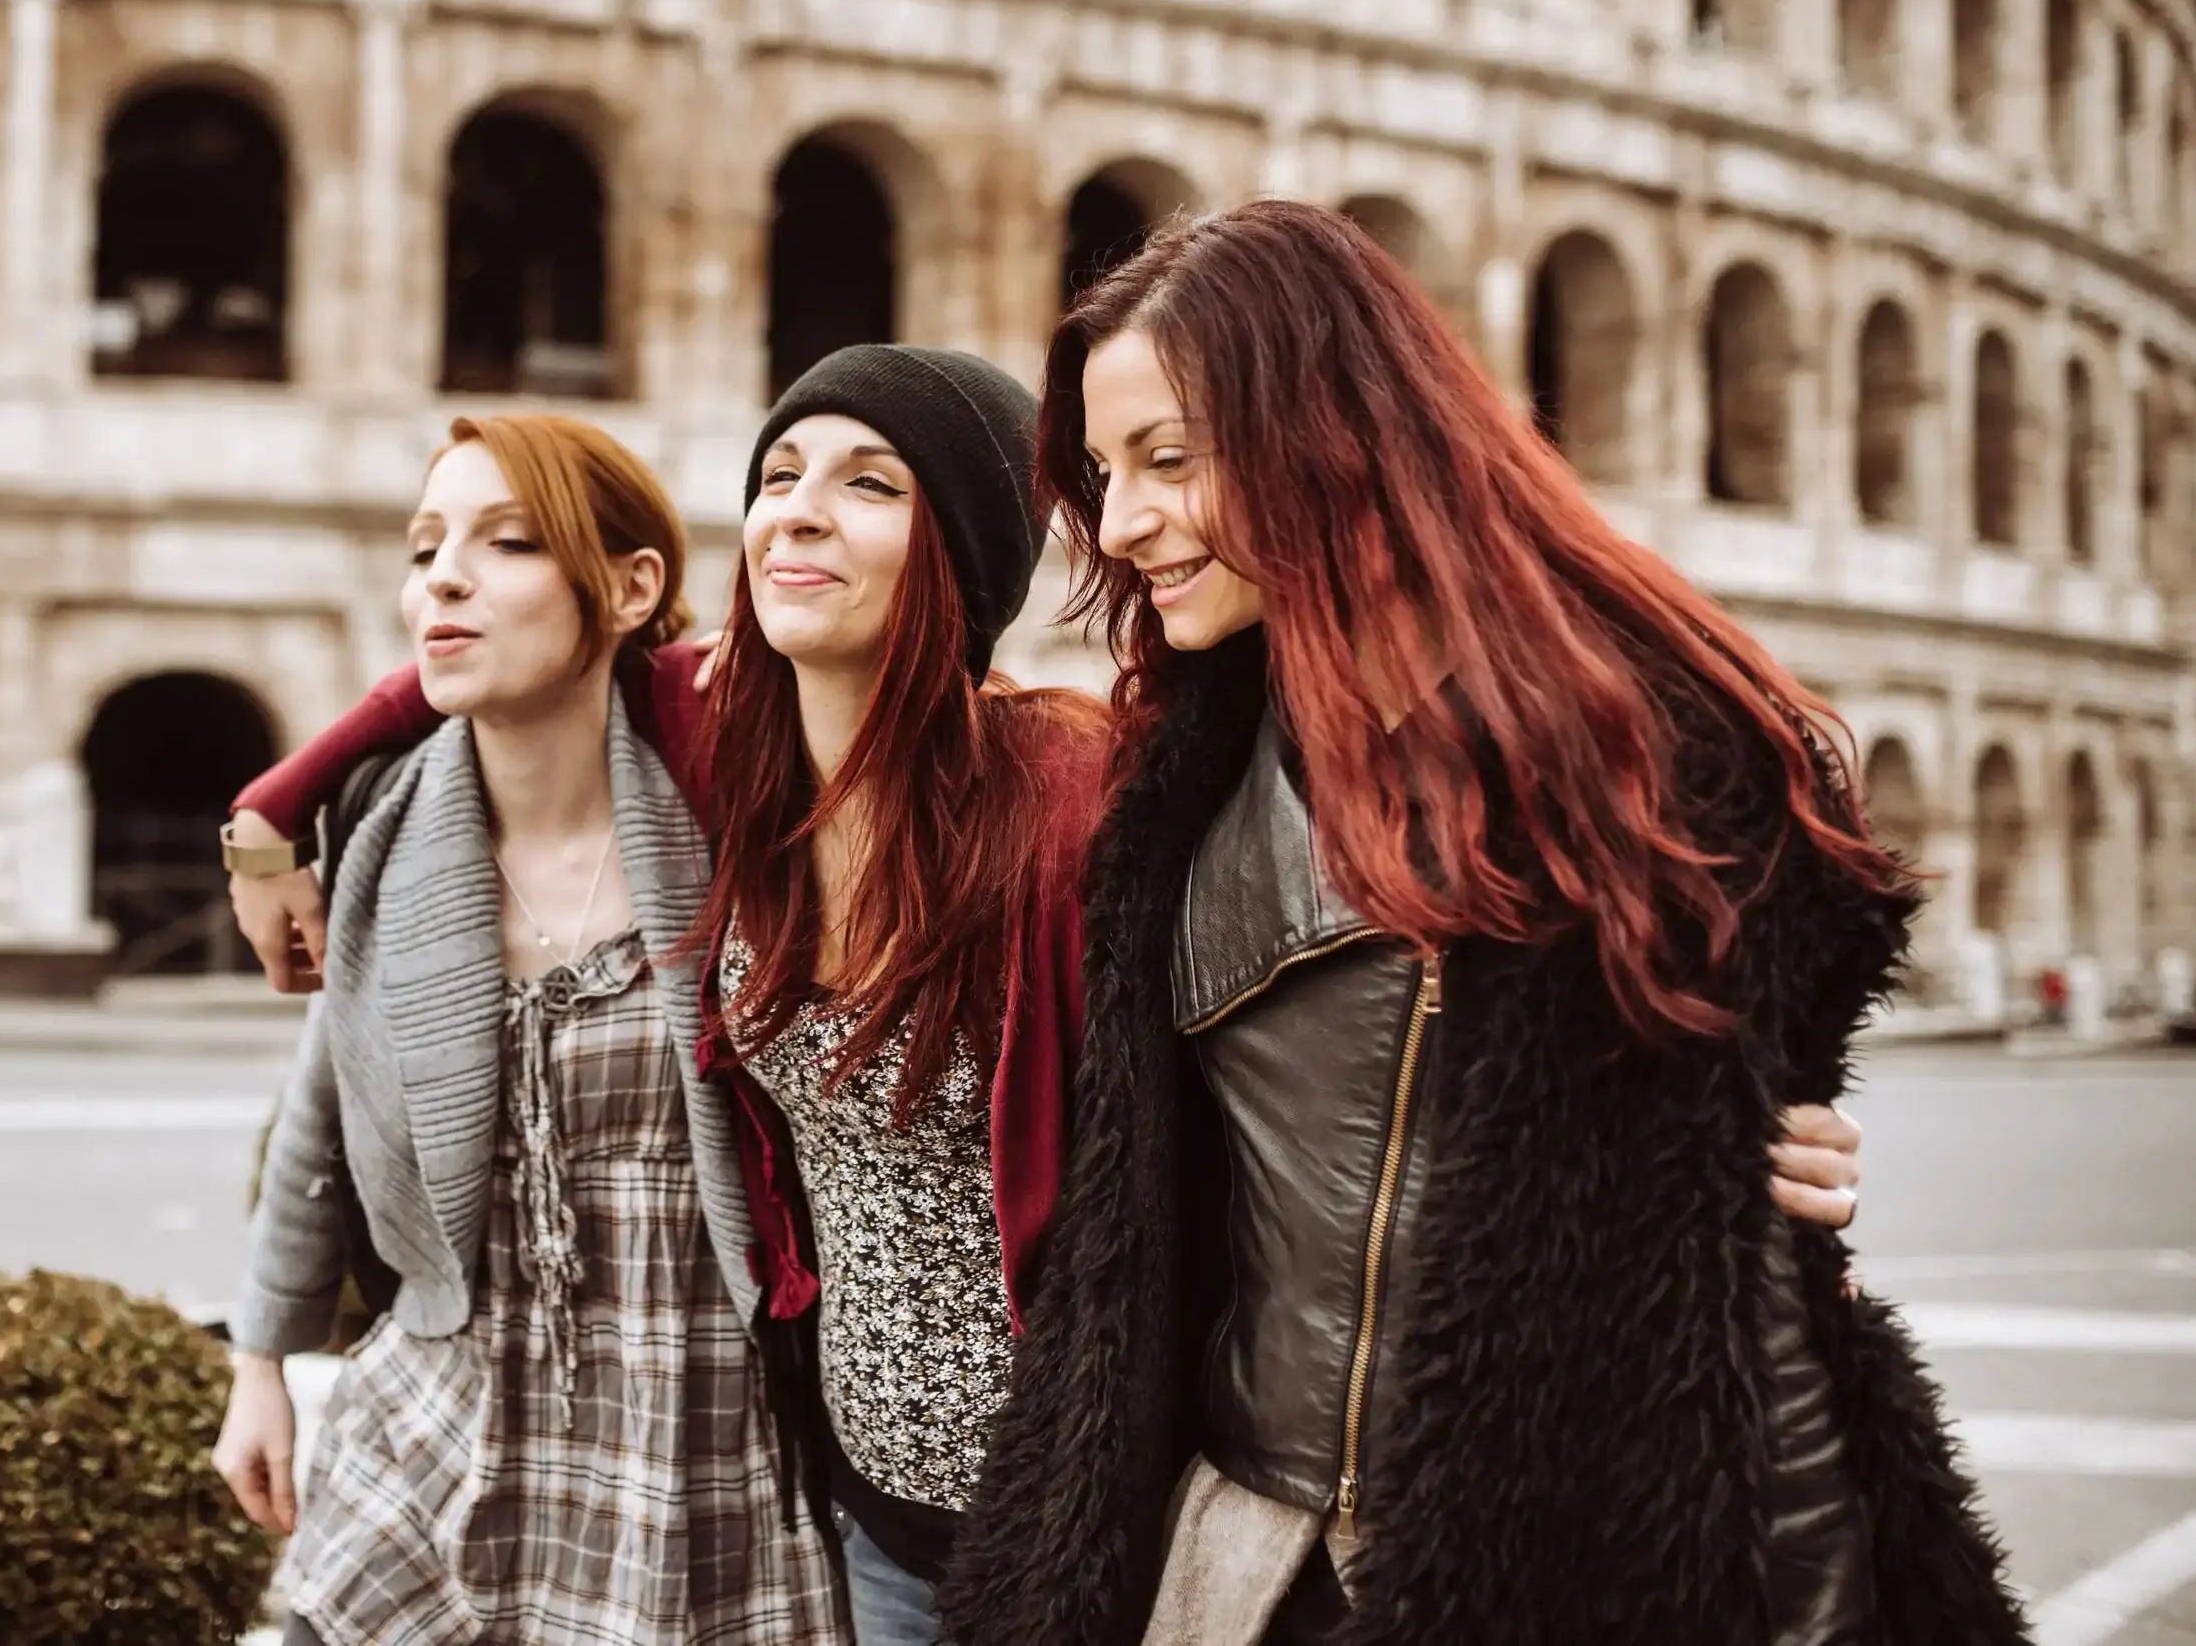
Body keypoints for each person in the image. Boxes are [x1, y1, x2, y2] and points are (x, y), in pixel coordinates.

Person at [231, 347, 1872, 1646]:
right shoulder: (721, 757)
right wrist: (277, 807)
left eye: (865, 484)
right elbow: (491, 640)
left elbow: (1333, 1020)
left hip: (1079, 1509)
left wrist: (1694, 1126)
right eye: (778, 476)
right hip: (857, 1501)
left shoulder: (1078, 790)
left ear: (959, 552)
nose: (796, 511)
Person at [938, 202, 2019, 1646]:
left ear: (1328, 430)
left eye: (1167, 461)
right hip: (1236, 1566)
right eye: (1101, 472)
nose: (1121, 524)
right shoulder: (1180, 778)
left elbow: (1735, 1335)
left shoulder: (1646, 779)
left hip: (1535, 1572)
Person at [212, 414, 845, 1646]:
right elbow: (321, 1113)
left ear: (628, 586)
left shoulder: (733, 797)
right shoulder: (387, 828)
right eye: (423, 546)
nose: (442, 575)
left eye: (505, 542)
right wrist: (260, 1366)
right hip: (441, 1411)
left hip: (701, 1435)